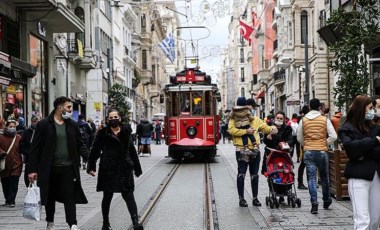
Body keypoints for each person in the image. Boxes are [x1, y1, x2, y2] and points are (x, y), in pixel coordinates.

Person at [28, 96, 89, 230]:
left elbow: (80, 145)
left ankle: (72, 224)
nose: (70, 110)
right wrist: (32, 170)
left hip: (68, 168)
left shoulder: (72, 125)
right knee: (50, 197)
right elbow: (35, 149)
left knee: (69, 196)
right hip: (49, 168)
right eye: (68, 107)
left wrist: (89, 158)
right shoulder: (44, 124)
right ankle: (50, 222)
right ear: (59, 107)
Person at [87, 109, 143, 230]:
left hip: (124, 169)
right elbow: (95, 150)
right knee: (107, 196)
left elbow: (132, 150)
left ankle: (135, 222)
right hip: (108, 169)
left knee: (129, 196)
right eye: (111, 118)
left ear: (120, 118)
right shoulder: (102, 133)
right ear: (107, 120)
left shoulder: (126, 131)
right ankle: (105, 223)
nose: (113, 119)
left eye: (115, 117)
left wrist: (137, 168)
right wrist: (91, 166)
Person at [338, 95, 380, 229]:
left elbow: (375, 151)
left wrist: (363, 149)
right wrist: (374, 142)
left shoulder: (375, 127)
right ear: (362, 109)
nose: (373, 111)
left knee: (375, 219)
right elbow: (352, 150)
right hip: (358, 175)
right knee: (362, 220)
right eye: (370, 108)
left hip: (376, 174)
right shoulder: (347, 128)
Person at [228, 98, 278, 207]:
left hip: (255, 150)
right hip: (241, 149)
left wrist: (272, 129)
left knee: (254, 175)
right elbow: (231, 130)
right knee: (241, 174)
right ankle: (241, 198)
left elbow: (265, 128)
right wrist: (245, 131)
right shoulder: (234, 118)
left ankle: (255, 198)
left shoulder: (255, 119)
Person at [297, 98, 337, 214]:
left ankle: (314, 203)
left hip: (309, 151)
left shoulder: (303, 120)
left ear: (309, 107)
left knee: (311, 178)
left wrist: (307, 144)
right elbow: (333, 136)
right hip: (322, 151)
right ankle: (326, 200)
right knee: (324, 177)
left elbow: (299, 138)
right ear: (319, 107)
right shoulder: (324, 119)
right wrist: (325, 142)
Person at [0, 119, 22, 207]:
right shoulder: (1, 137)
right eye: (10, 126)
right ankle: (7, 199)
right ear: (6, 127)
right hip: (4, 164)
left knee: (14, 183)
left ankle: (12, 201)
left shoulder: (18, 137)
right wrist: (2, 153)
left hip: (16, 164)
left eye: (14, 127)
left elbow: (22, 148)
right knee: (5, 183)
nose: (12, 128)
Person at [20, 115, 40, 187]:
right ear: (31, 122)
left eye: (38, 122)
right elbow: (22, 146)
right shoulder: (26, 132)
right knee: (28, 180)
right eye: (34, 121)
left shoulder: (43, 132)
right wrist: (28, 153)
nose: (36, 123)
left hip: (40, 162)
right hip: (29, 161)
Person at [297, 105, 310, 190]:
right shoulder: (304, 120)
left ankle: (303, 182)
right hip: (305, 145)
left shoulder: (302, 119)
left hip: (304, 144)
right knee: (304, 164)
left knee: (305, 164)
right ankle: (300, 182)